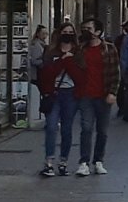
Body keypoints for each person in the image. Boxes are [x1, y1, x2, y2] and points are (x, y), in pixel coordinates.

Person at [76, 18, 120, 177]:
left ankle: (98, 161)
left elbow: (116, 72)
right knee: (86, 129)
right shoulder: (80, 49)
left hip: (103, 95)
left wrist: (112, 92)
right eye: (84, 28)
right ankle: (83, 162)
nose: (86, 31)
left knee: (102, 130)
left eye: (89, 28)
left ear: (98, 32)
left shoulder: (109, 49)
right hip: (86, 95)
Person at [38, 23, 84, 176]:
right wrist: (63, 60)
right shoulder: (50, 51)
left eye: (71, 32)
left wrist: (68, 62)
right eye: (65, 31)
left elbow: (79, 77)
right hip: (54, 94)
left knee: (66, 129)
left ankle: (63, 161)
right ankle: (49, 162)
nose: (68, 34)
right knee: (51, 127)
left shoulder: (78, 53)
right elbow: (47, 74)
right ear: (59, 33)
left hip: (70, 95)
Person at [28, 25, 48, 91]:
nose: (45, 36)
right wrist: (44, 62)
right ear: (38, 34)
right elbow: (34, 61)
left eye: (46, 34)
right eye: (43, 34)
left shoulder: (43, 44)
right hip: (36, 74)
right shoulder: (36, 45)